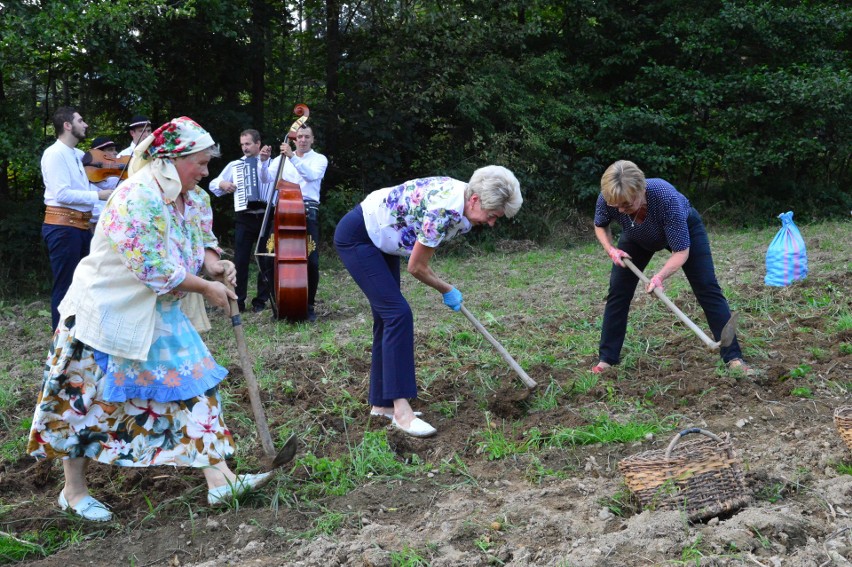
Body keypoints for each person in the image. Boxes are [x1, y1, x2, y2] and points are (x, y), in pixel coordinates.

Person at [27, 117, 273, 522]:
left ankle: (221, 481)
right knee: (82, 401)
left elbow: (202, 242)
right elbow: (152, 268)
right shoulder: (135, 197)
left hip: (160, 311)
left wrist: (216, 265)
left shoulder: (193, 197)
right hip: (104, 313)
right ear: (171, 159)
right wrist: (206, 288)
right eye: (201, 162)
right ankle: (72, 492)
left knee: (194, 386)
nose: (206, 171)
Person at [333, 166, 522, 437]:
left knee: (387, 317)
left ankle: (382, 405)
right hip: (360, 237)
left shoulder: (465, 200)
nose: (492, 223)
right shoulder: (444, 210)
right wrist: (447, 289)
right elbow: (417, 267)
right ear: (475, 200)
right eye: (492, 216)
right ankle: (401, 411)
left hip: (382, 237)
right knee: (398, 314)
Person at [591, 160, 751, 374]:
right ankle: (607, 359)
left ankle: (733, 358)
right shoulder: (610, 196)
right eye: (615, 205)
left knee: (706, 286)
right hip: (636, 236)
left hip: (683, 230)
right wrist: (611, 249)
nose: (620, 210)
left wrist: (659, 277)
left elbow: (681, 251)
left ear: (642, 190)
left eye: (626, 205)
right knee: (618, 291)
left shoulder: (665, 198)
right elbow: (600, 224)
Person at [41, 107, 114, 330]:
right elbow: (62, 194)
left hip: (81, 226)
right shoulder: (54, 154)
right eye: (80, 121)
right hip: (63, 227)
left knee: (84, 285)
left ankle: (79, 339)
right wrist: (98, 195)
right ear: (67, 125)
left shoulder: (78, 154)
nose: (86, 124)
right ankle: (59, 343)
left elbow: (93, 183)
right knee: (65, 286)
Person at [264, 126, 328, 321]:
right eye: (299, 136)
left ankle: (308, 305)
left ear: (313, 139)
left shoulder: (319, 159)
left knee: (312, 262)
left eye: (307, 136)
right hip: (283, 210)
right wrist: (262, 161)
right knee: (272, 257)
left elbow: (311, 176)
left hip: (308, 211)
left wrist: (292, 157)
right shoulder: (281, 158)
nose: (302, 140)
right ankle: (281, 303)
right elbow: (266, 179)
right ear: (294, 139)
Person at [209, 129, 274, 313]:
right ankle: (239, 300)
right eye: (242, 144)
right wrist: (223, 184)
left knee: (265, 260)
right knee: (241, 260)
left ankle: (261, 301)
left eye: (248, 144)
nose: (245, 148)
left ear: (258, 143)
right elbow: (214, 183)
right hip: (245, 217)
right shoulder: (235, 165)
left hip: (266, 216)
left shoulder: (272, 164)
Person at [82, 136, 125, 231]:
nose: (115, 153)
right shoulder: (92, 176)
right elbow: (94, 211)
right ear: (99, 155)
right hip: (97, 226)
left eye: (115, 149)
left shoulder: (112, 174)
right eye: (110, 150)